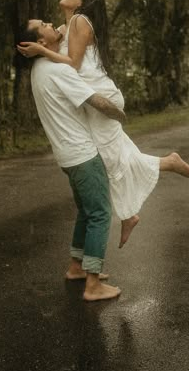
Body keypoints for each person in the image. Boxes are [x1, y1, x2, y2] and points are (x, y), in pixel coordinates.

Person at [17, 0, 189, 249]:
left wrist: (42, 51)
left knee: (110, 161)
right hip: (91, 98)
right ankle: (133, 209)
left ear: (83, 1)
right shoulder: (68, 26)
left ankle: (150, 186)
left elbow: (73, 65)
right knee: (113, 155)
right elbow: (64, 52)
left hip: (100, 96)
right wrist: (45, 46)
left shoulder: (79, 20)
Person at [17, 19, 127, 302]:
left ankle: (77, 267)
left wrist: (59, 35)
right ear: (41, 42)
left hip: (66, 155)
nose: (50, 22)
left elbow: (65, 31)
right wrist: (120, 113)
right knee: (101, 212)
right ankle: (93, 284)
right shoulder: (56, 71)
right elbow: (94, 100)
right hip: (82, 154)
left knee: (86, 211)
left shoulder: (40, 68)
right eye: (43, 24)